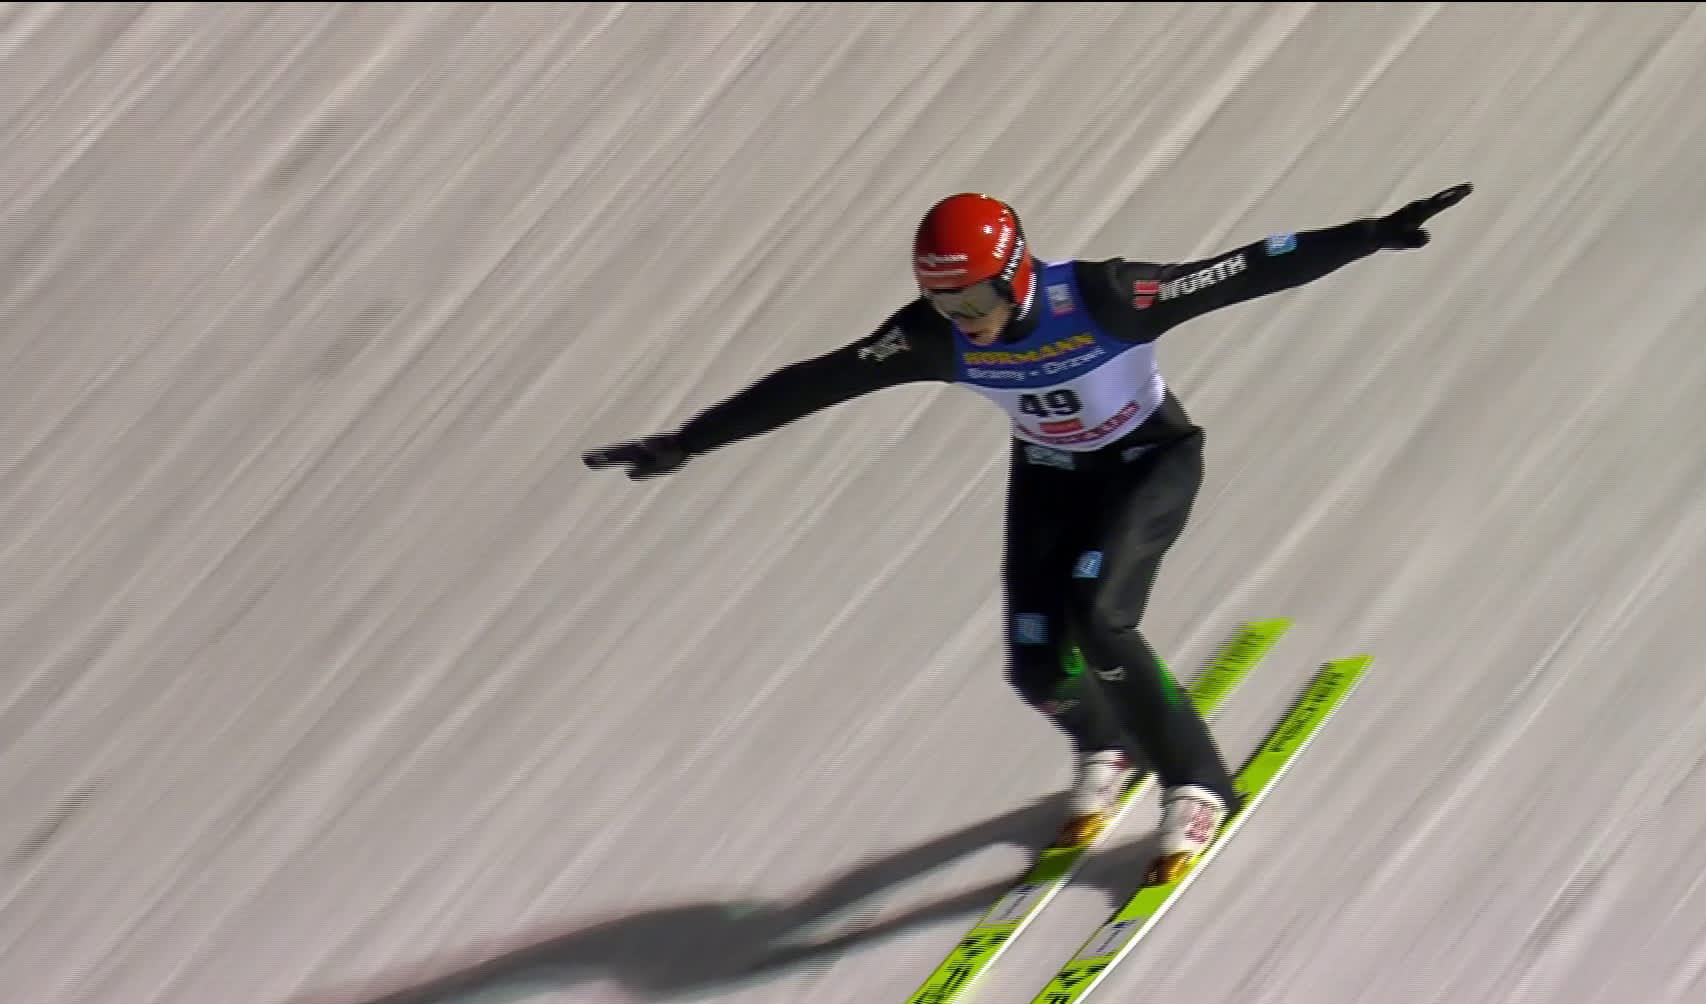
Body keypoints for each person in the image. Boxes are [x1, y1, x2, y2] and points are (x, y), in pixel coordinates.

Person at [585, 183, 1471, 885]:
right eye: (941, 301)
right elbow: (817, 381)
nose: (961, 317)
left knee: (1099, 617)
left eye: (974, 297)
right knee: (1038, 667)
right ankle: (1106, 741)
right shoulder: (933, 339)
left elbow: (1240, 270)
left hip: (1148, 463)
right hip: (1051, 476)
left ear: (1016, 275)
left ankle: (1199, 781)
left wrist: (1368, 234)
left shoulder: (1106, 297)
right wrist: (691, 440)